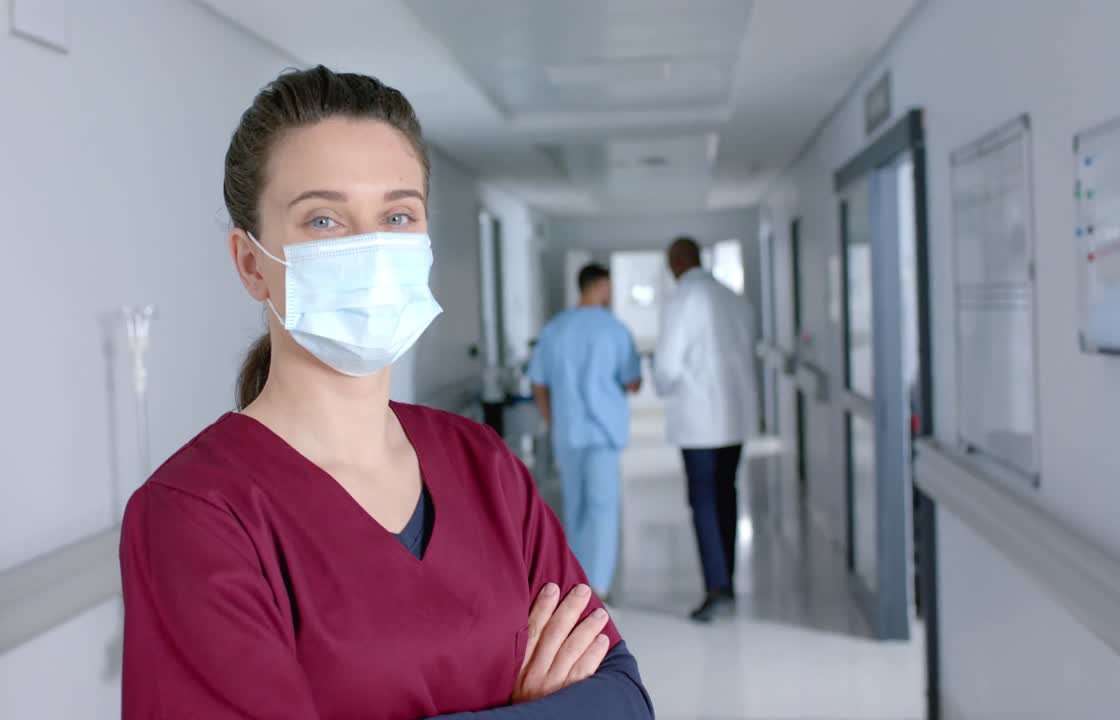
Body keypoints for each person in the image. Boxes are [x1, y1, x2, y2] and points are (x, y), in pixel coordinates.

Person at [117, 66, 653, 720]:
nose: (371, 250)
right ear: (251, 263)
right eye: (323, 220)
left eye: (398, 215)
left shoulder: (480, 463)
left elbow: (622, 697)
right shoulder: (196, 515)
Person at [653, 236, 757, 623]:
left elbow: (666, 366)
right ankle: (725, 579)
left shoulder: (682, 299)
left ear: (677, 262)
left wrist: (664, 388)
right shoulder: (733, 298)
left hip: (698, 421)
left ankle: (715, 587)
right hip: (734, 418)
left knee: (703, 502)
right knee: (726, 495)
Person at [527, 263, 642, 596]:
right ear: (602, 286)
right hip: (603, 434)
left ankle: (577, 583)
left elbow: (538, 382)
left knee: (574, 505)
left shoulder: (555, 330)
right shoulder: (614, 330)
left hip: (569, 430)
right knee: (603, 508)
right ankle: (600, 585)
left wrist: (552, 420)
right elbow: (632, 381)